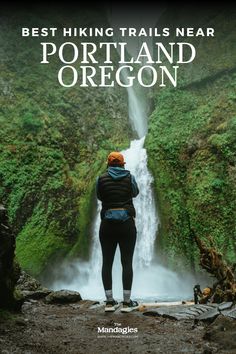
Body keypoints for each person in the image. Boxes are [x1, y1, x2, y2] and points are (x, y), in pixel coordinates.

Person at [96, 151, 139, 312]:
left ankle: (109, 302)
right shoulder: (130, 177)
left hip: (107, 225)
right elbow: (135, 192)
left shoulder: (100, 179)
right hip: (126, 224)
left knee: (107, 262)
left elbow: (100, 196)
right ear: (122, 164)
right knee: (126, 262)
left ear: (108, 164)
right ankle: (127, 303)